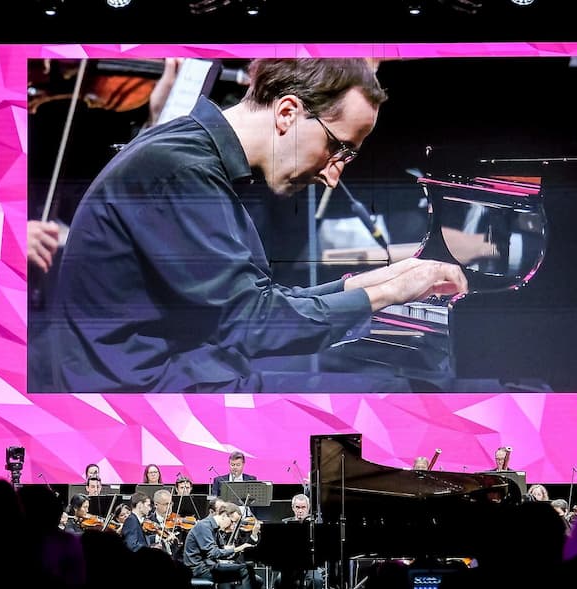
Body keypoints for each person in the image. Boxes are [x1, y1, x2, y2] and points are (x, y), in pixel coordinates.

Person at [43, 58, 469, 393]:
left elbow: (254, 306)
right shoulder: (180, 169)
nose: (333, 174)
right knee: (397, 389)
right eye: (338, 148)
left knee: (388, 378)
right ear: (287, 112)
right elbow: (253, 325)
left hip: (181, 373)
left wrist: (383, 279)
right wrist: (388, 293)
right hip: (148, 394)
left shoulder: (191, 157)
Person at [183, 501, 256, 589]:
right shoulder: (204, 526)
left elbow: (222, 551)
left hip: (209, 566)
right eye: (232, 521)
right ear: (224, 516)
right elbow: (213, 553)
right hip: (199, 570)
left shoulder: (214, 529)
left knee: (247, 568)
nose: (232, 526)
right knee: (245, 570)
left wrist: (239, 548)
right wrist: (237, 548)